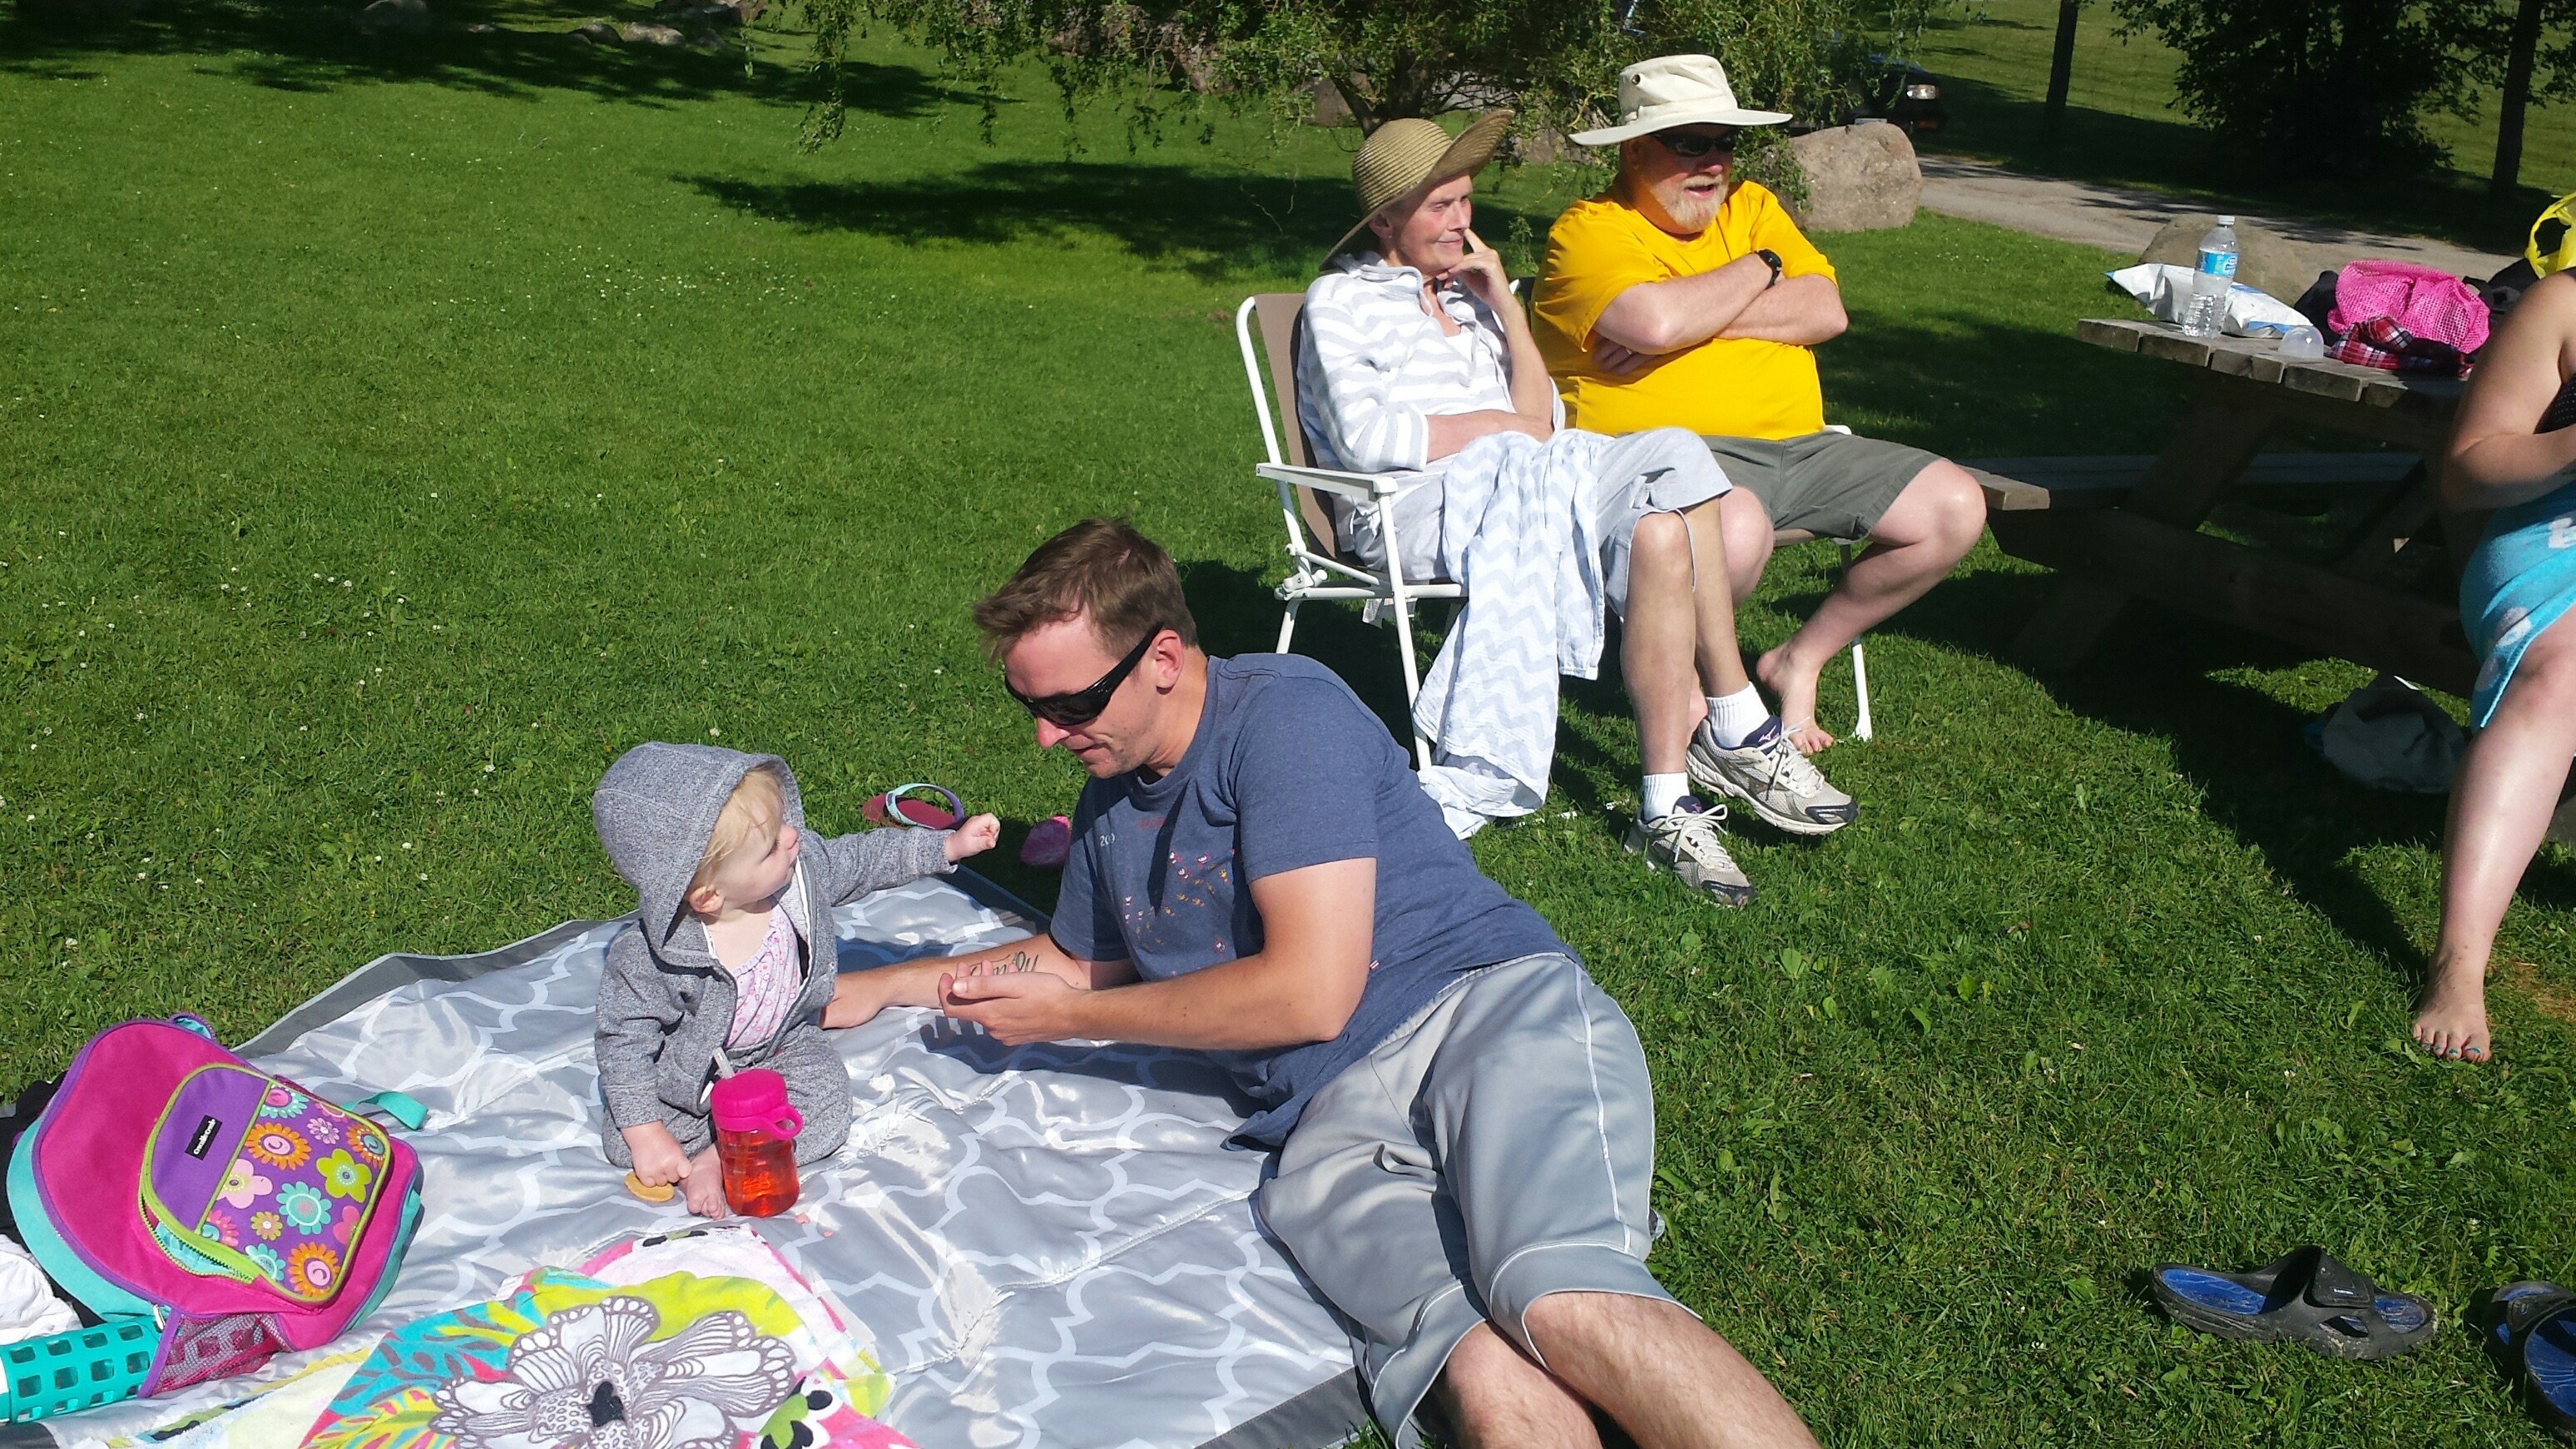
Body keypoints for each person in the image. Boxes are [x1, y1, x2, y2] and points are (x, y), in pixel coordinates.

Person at [829, 520, 1820, 1449]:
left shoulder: (1284, 715)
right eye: (1032, 708)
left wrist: (1079, 1020)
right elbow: (1070, 962)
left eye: (1071, 705)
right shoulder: (1108, 806)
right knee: (1472, 1356)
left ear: (1163, 658)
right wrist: (893, 984)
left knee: (1555, 1294)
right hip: (1324, 1129)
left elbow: (1311, 994)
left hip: (1475, 1015)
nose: (1048, 738)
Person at [1300, 108, 1853, 906]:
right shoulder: (1340, 302)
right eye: (1440, 207)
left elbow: (1545, 418)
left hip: (1513, 486)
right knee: (1670, 453)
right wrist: (1500, 429)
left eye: (1466, 200)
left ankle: (1664, 805)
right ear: (1384, 220)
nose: (1462, 221)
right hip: (1412, 509)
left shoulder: (1467, 295)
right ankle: (1737, 717)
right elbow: (1369, 439)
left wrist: (1505, 307)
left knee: (1661, 526)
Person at [1531, 53, 1988, 756]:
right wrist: (1761, 270)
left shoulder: (1753, 207)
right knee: (1737, 530)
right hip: (1675, 459)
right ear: (1634, 150)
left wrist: (1700, 314)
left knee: (1955, 507)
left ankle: (1798, 658)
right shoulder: (1589, 230)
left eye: (1726, 141)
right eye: (1691, 143)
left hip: (1806, 447)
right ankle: (1687, 693)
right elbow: (1653, 321)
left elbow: (1826, 310)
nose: (1714, 163)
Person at [592, 742, 998, 1217]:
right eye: (770, 846)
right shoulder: (653, 957)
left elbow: (864, 859)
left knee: (825, 1105)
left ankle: (718, 1159)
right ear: (708, 897)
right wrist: (646, 1134)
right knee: (628, 1140)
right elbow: (624, 1042)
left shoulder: (800, 876)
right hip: (694, 1077)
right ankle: (713, 1145)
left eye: (783, 822)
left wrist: (946, 846)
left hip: (780, 1048)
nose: (791, 838)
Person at [2415, 270, 2576, 1062]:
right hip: (2555, 540)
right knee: (2567, 674)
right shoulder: (2566, 304)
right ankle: (2459, 963)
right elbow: (2468, 471)